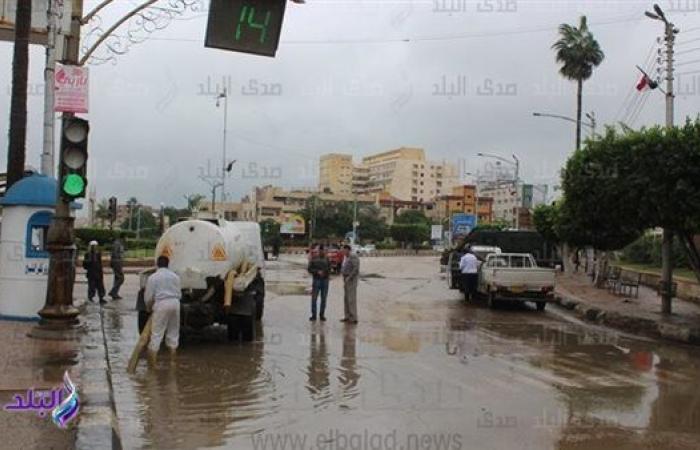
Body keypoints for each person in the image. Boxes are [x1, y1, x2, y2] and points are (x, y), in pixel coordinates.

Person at [144, 256, 182, 364]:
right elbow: (179, 293)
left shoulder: (153, 277)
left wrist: (148, 307)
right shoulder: (175, 276)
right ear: (168, 264)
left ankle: (152, 366)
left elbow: (148, 296)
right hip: (175, 303)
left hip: (161, 304)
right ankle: (173, 362)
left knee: (156, 335)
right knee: (173, 334)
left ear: (157, 264)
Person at [307, 246, 330, 321]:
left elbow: (329, 268)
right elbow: (309, 269)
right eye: (320, 251)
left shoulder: (327, 259)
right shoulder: (314, 259)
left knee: (324, 298)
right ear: (318, 251)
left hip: (325, 280)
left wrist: (325, 272)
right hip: (316, 280)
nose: (322, 252)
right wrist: (317, 272)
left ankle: (322, 315)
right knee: (314, 298)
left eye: (323, 250)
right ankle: (314, 315)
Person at [340, 244, 360, 324]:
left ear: (348, 250)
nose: (343, 251)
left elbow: (356, 269)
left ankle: (353, 317)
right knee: (346, 298)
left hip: (351, 280)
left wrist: (349, 277)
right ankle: (347, 316)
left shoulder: (353, 256)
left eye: (344, 250)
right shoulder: (346, 257)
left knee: (351, 298)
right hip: (346, 279)